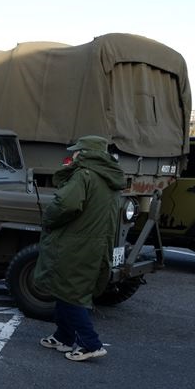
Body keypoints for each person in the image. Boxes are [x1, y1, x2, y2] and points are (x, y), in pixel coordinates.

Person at [34, 135, 123, 362]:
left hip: (76, 243)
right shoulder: (109, 177)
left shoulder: (84, 175)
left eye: (76, 151)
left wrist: (49, 218)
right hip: (94, 242)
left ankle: (90, 343)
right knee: (66, 289)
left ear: (85, 153)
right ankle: (63, 336)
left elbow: (66, 204)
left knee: (71, 293)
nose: (73, 155)